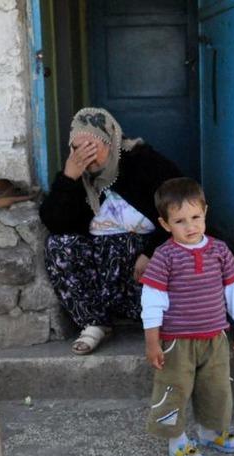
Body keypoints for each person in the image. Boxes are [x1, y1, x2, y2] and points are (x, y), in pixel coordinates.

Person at [39, 107, 183, 355]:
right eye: (77, 149)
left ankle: (156, 321)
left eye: (93, 148)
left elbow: (180, 211)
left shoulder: (145, 164)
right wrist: (69, 178)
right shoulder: (76, 177)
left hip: (143, 272)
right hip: (101, 275)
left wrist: (152, 252)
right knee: (57, 244)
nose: (86, 157)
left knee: (125, 242)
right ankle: (95, 321)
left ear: (112, 141)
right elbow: (55, 223)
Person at [140, 178, 234, 456]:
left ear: (205, 212)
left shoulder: (219, 250)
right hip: (177, 341)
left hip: (215, 337)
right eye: (180, 221)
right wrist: (153, 341)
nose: (190, 226)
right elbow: (152, 300)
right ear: (165, 224)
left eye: (196, 217)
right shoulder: (165, 257)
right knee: (173, 389)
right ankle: (176, 441)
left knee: (217, 389)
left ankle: (210, 432)